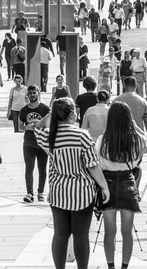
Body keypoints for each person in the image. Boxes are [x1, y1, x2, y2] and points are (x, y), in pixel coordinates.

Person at [34, 97, 110, 269]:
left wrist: (52, 113)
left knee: (60, 234)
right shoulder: (82, 135)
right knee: (81, 235)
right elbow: (92, 165)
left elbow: (38, 127)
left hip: (58, 192)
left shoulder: (50, 136)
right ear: (72, 115)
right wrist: (104, 186)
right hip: (82, 192)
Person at [97, 101, 147, 269]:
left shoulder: (103, 140)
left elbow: (97, 161)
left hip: (107, 184)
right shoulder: (136, 140)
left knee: (110, 231)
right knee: (127, 231)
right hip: (128, 183)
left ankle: (110, 266)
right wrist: (136, 127)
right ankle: (124, 266)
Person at [19, 85, 51, 203]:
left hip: (42, 142)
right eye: (30, 93)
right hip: (29, 142)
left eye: (34, 92)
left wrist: (39, 125)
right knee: (29, 168)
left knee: (42, 169)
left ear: (38, 93)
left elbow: (50, 125)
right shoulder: (24, 110)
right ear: (27, 94)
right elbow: (20, 126)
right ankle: (29, 193)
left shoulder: (45, 109)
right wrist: (27, 127)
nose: (32, 95)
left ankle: (41, 192)